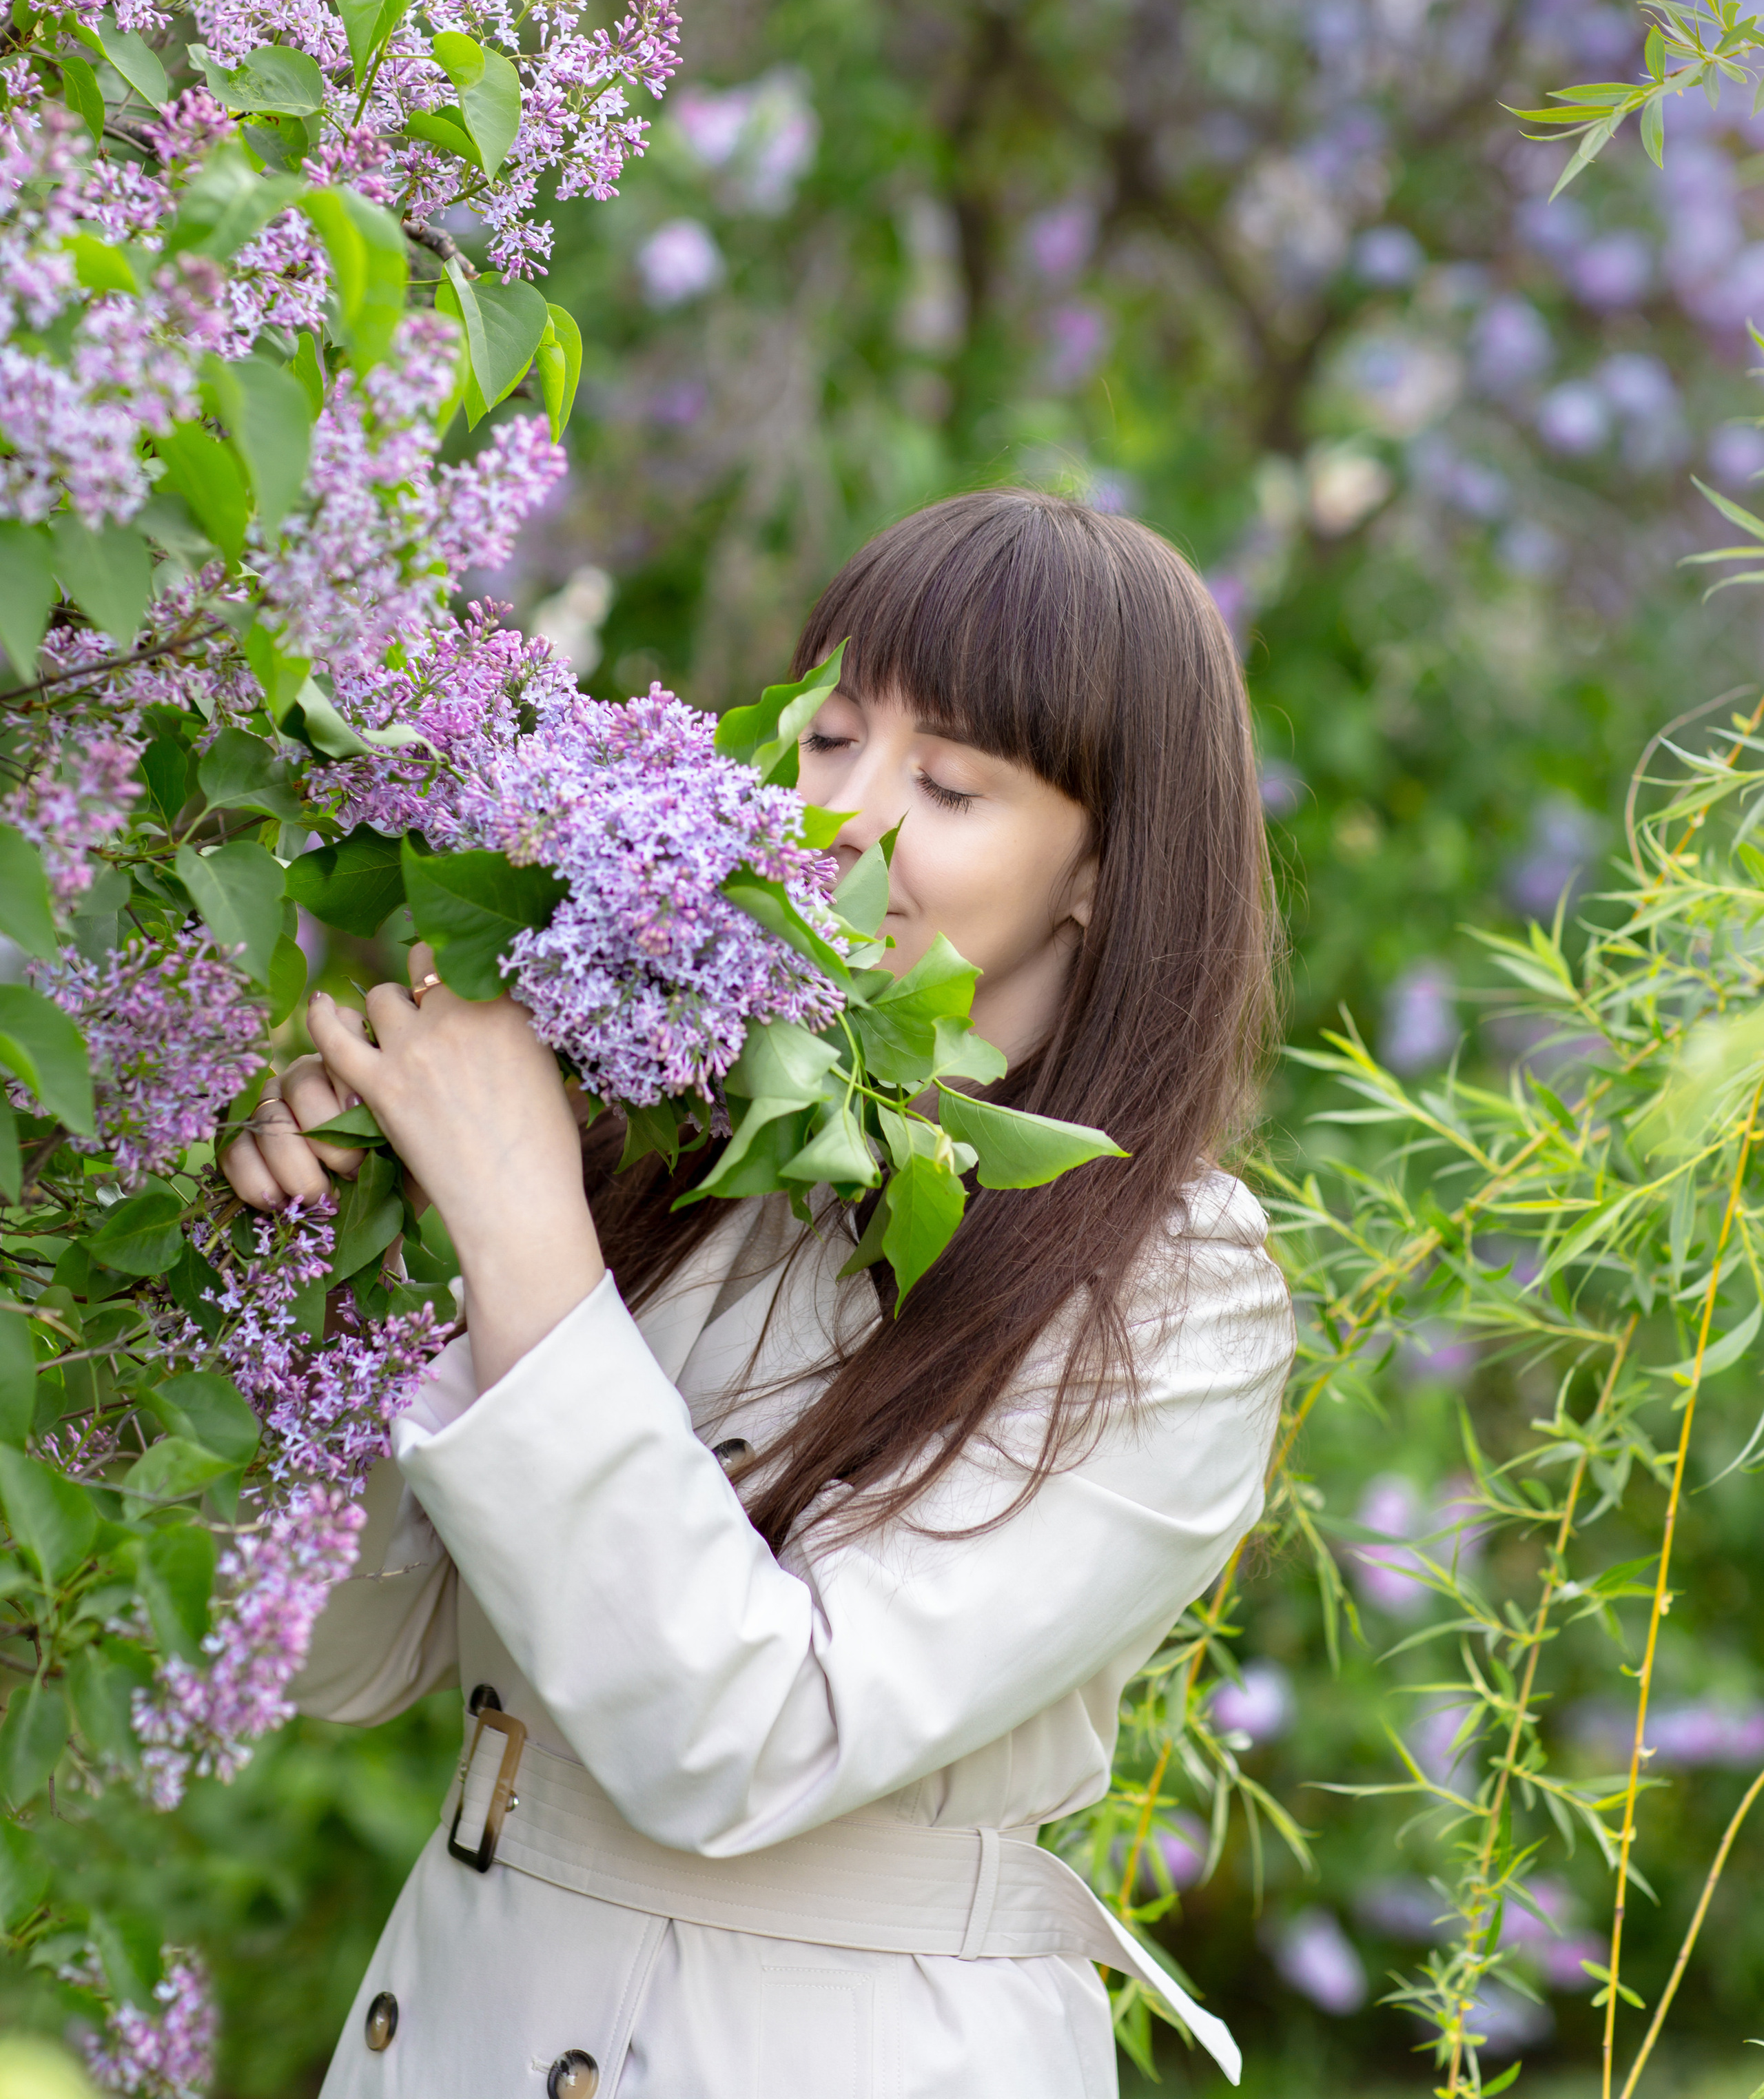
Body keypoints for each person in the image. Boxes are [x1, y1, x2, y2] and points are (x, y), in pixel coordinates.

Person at [223, 488, 1295, 2099]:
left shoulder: (1175, 1291)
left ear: (1099, 866)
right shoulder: (686, 1130)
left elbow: (743, 1738)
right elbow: (340, 1659)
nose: (841, 822)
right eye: (829, 741)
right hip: (464, 2010)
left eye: (946, 784)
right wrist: (339, 1247)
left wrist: (524, 1229)